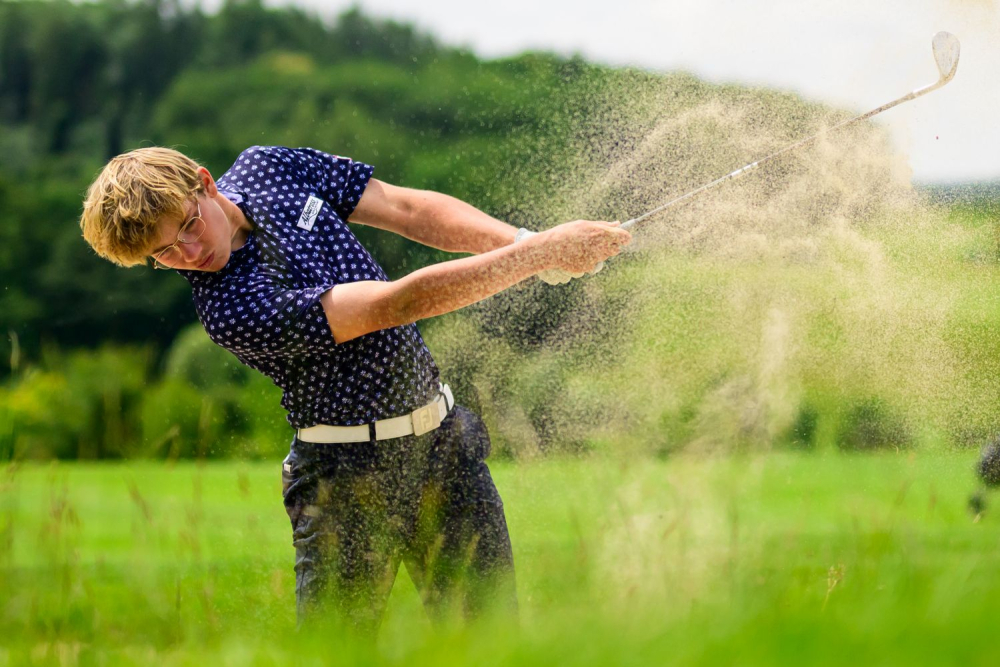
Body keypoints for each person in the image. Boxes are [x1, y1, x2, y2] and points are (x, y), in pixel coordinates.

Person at [79, 145, 630, 634]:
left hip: (444, 448)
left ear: (205, 183)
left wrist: (522, 241)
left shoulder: (270, 166)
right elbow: (395, 305)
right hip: (345, 481)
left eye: (188, 227)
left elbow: (405, 208)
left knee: (490, 640)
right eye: (164, 255)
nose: (189, 254)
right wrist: (535, 257)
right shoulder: (230, 307)